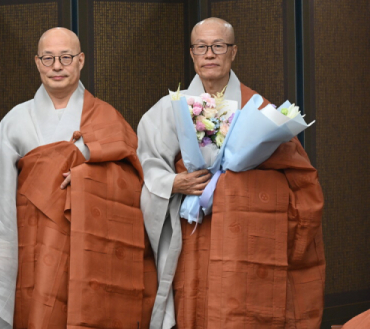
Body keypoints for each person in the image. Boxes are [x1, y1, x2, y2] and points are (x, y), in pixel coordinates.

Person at [0, 27, 156, 329]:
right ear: (38, 62)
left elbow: (134, 177)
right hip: (29, 242)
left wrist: (88, 176)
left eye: (65, 57)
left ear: (81, 61)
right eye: (48, 58)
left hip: (87, 239)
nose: (57, 66)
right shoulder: (16, 119)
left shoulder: (106, 116)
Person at [137, 18, 325, 328]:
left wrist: (235, 188)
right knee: (191, 300)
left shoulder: (259, 108)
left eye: (218, 46)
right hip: (190, 231)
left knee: (237, 308)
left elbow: (300, 177)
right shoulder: (168, 108)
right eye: (201, 47)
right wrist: (174, 182)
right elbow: (146, 161)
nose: (209, 54)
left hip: (243, 237)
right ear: (192, 53)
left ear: (233, 52)